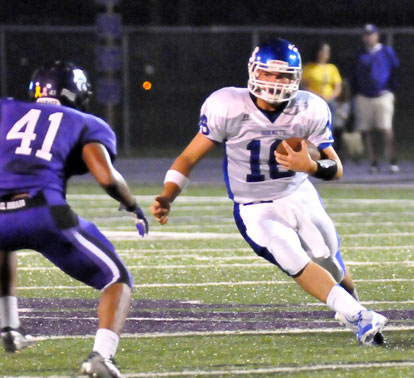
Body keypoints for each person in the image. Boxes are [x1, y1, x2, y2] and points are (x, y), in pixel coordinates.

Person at [151, 38, 387, 345]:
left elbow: (336, 167)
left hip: (297, 194)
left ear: (296, 77)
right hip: (253, 205)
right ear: (253, 71)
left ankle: (355, 306)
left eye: (284, 75)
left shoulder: (310, 107)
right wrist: (168, 195)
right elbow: (188, 158)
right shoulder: (227, 105)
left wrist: (311, 166)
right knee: (290, 256)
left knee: (328, 258)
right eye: (269, 73)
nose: (275, 82)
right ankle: (358, 317)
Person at [0, 60, 148, 378]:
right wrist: (132, 204)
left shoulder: (5, 109)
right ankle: (101, 357)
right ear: (78, 93)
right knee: (117, 278)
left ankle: (7, 326)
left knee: (5, 242)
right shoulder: (84, 121)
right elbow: (106, 177)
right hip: (42, 213)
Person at [351, 24, 400, 174]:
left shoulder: (386, 51)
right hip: (364, 96)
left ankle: (393, 160)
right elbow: (354, 74)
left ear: (377, 36)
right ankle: (373, 161)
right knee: (367, 130)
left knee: (386, 128)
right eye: (366, 34)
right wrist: (356, 92)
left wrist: (392, 88)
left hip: (383, 95)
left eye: (371, 34)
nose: (368, 37)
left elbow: (395, 70)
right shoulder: (360, 54)